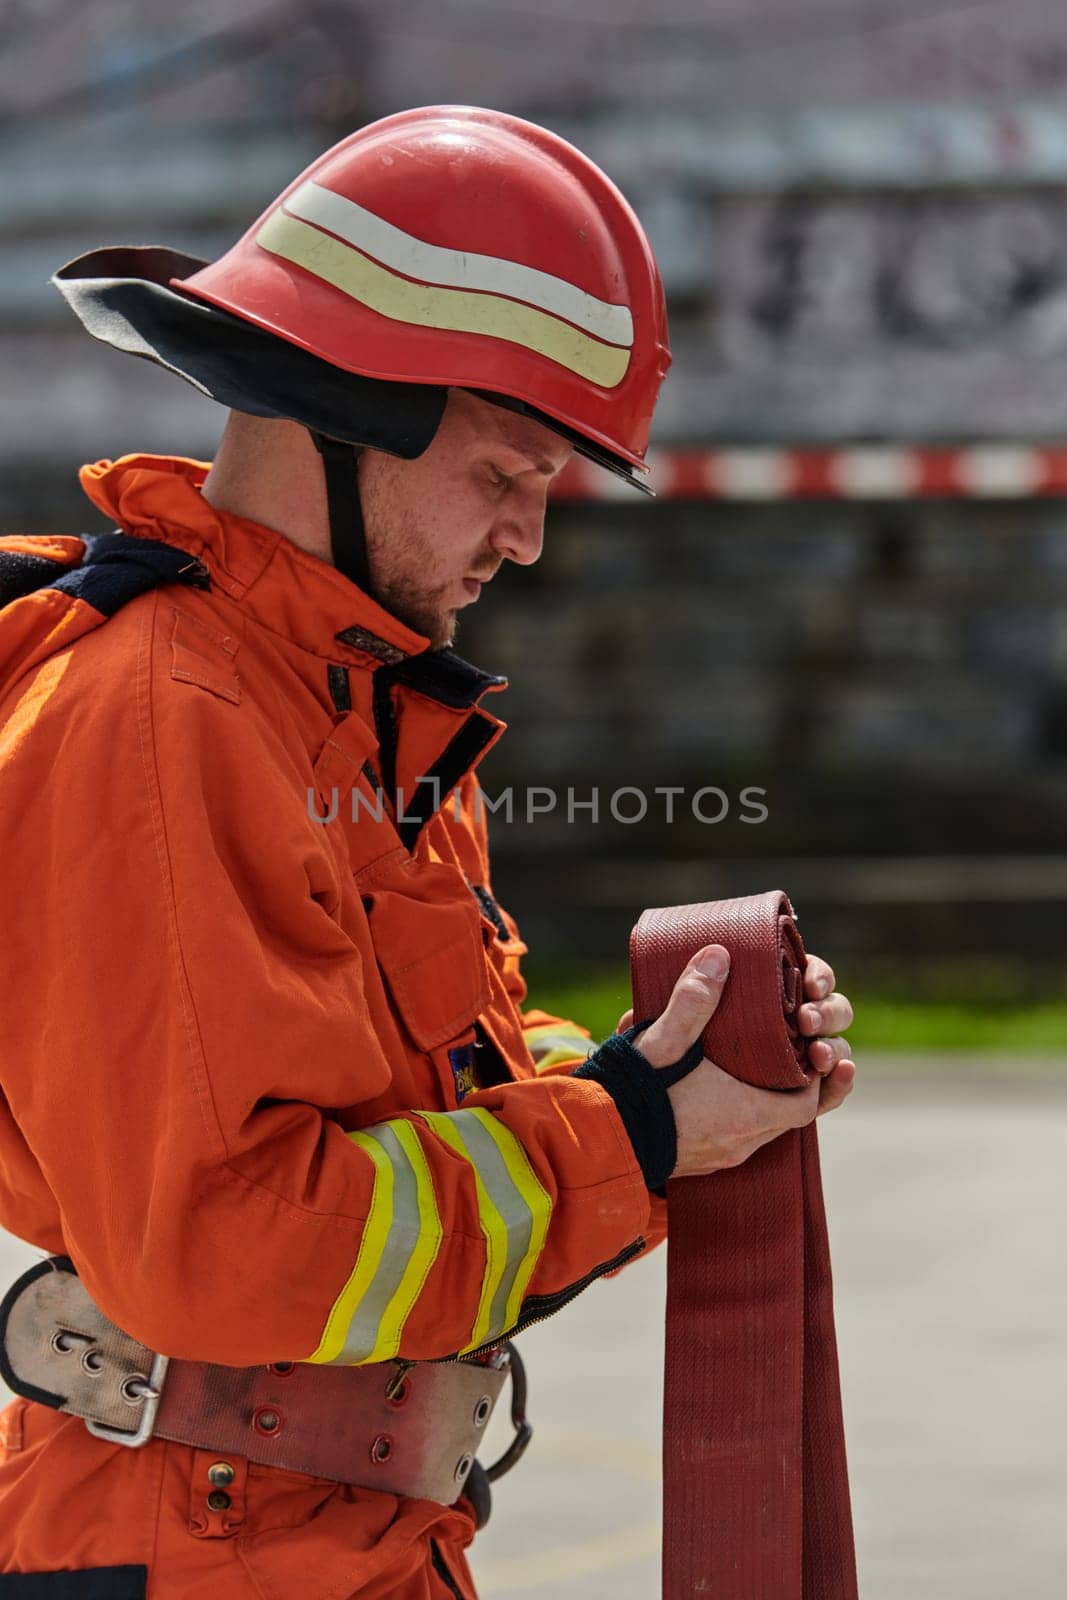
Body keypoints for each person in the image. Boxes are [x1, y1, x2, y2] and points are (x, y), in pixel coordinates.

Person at [0, 106, 855, 1598]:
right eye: (509, 475)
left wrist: (678, 1071)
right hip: (200, 1553)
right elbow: (217, 1250)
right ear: (349, 405)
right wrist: (640, 1130)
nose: (527, 542)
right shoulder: (164, 719)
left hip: (326, 1544)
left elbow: (431, 1117)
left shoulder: (346, 709)